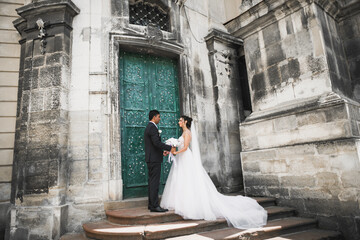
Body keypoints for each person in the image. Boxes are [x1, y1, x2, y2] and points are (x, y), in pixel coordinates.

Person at [161, 116, 268, 229]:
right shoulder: (183, 133)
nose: (178, 122)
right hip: (181, 158)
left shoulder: (187, 133)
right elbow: (179, 145)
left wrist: (176, 152)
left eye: (180, 120)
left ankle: (190, 204)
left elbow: (186, 147)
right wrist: (171, 149)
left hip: (185, 157)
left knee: (188, 179)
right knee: (181, 179)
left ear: (185, 122)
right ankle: (180, 202)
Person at [144, 110, 176, 212]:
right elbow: (156, 143)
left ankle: (151, 204)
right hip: (154, 159)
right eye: (159, 117)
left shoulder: (150, 127)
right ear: (154, 117)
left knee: (151, 182)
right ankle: (155, 206)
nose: (160, 119)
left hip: (151, 158)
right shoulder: (152, 127)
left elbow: (154, 145)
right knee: (154, 183)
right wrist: (170, 147)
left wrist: (161, 151)